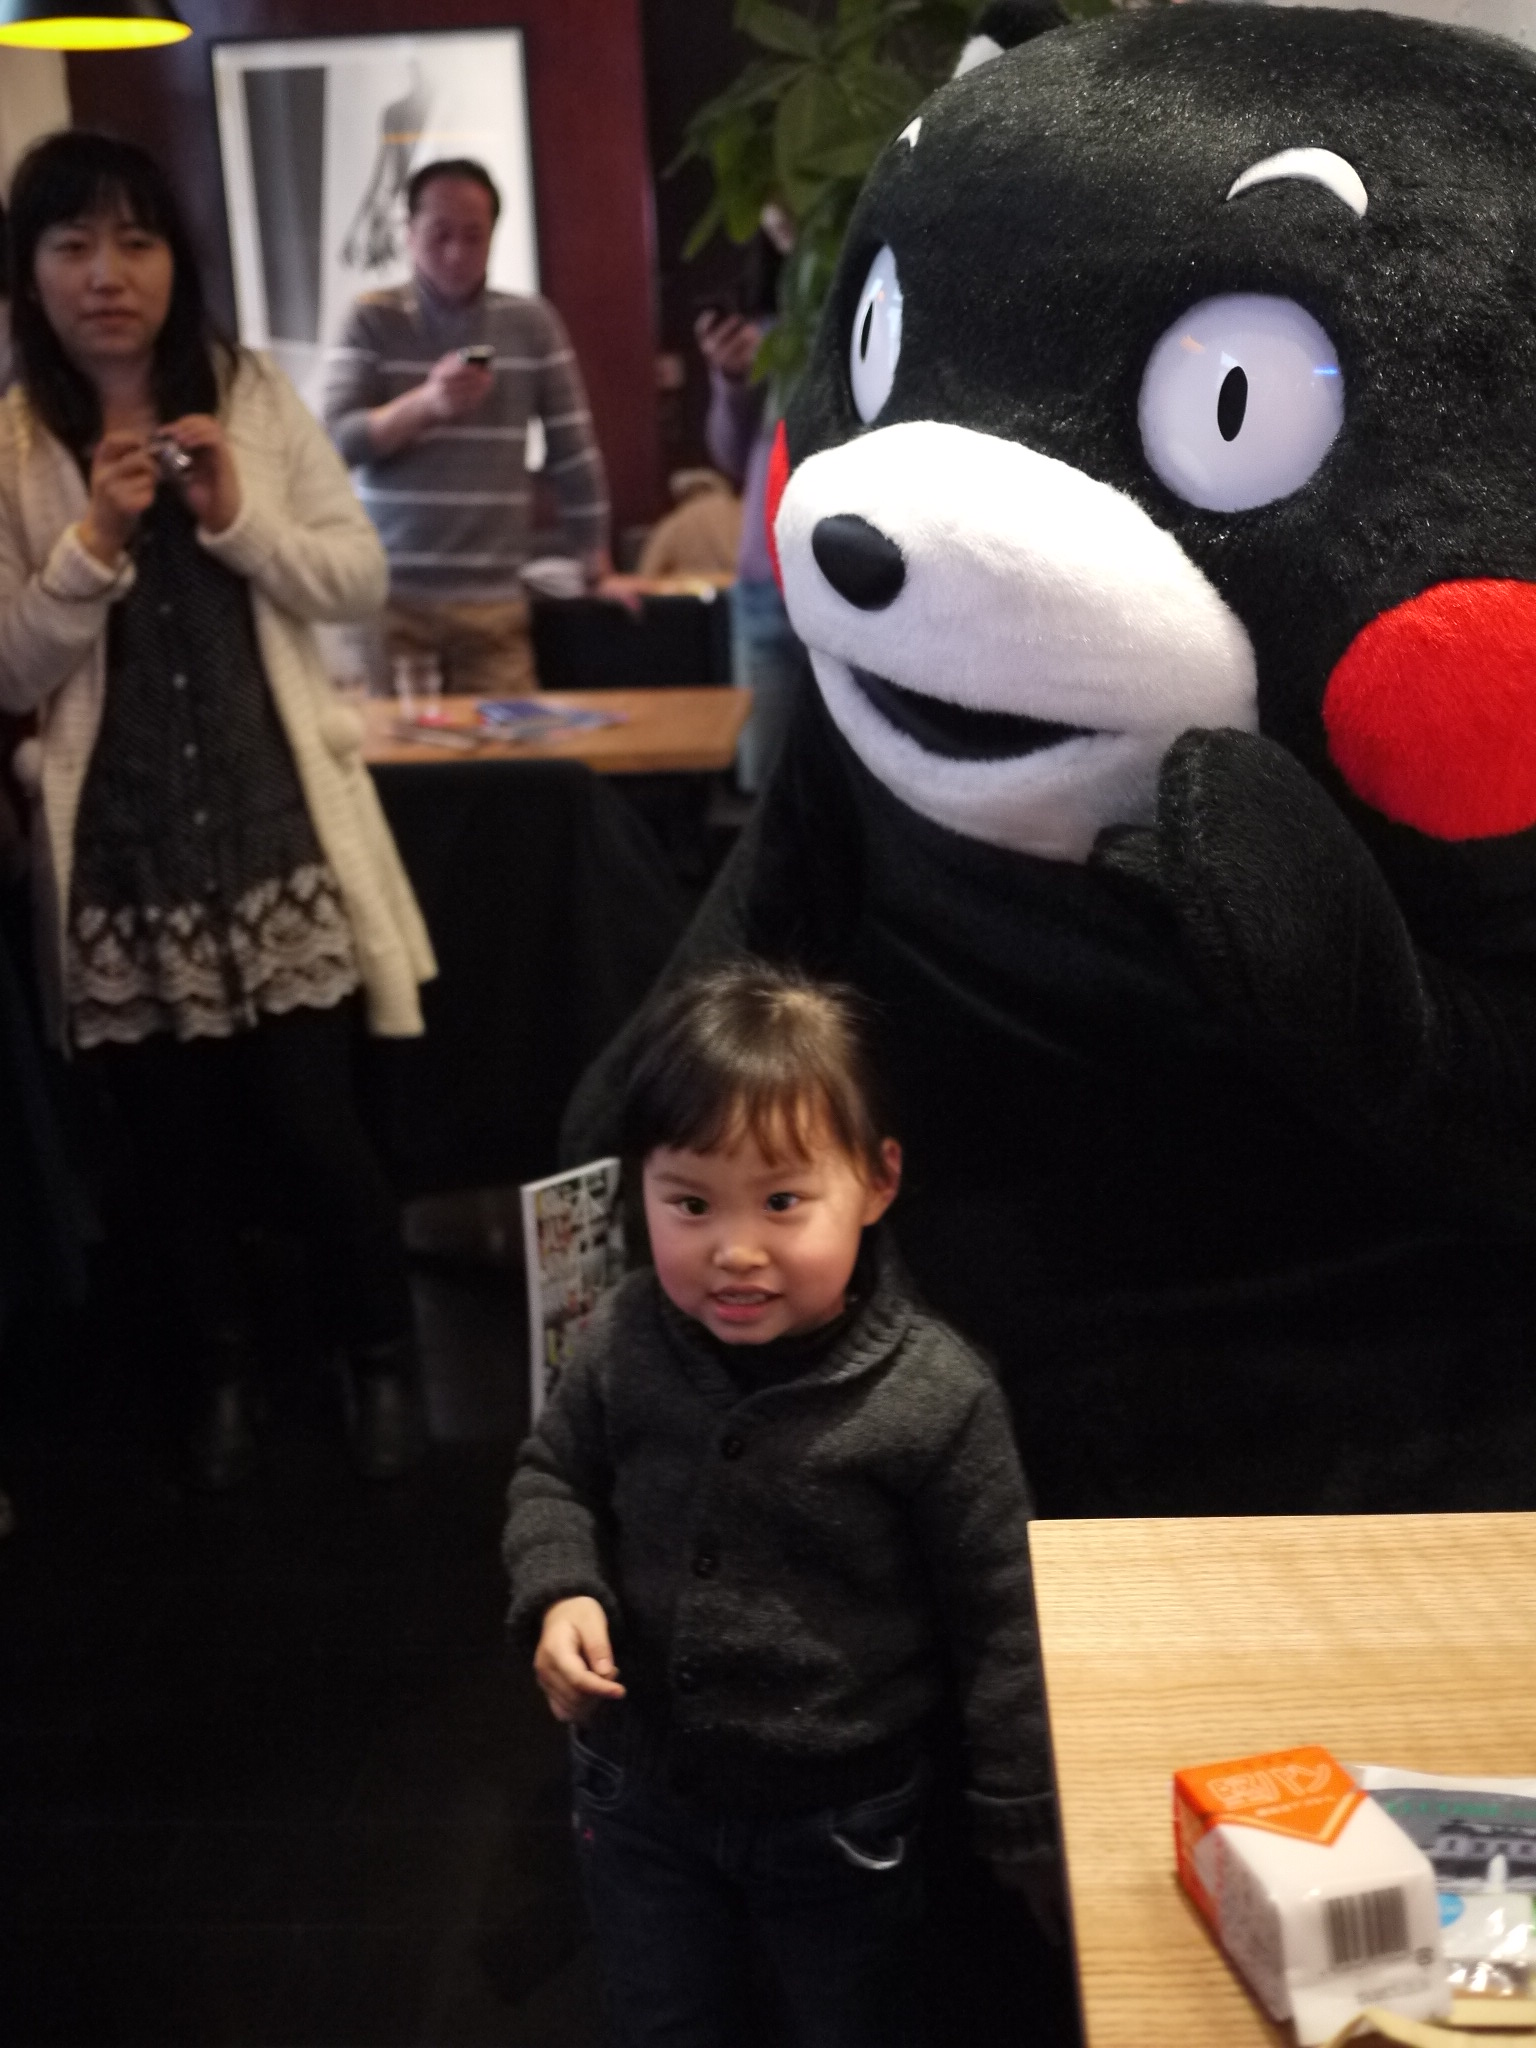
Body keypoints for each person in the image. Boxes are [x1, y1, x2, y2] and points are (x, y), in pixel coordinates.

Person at [504, 961, 1057, 2047]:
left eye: (784, 1200)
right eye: (690, 1203)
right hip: (637, 1792)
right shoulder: (625, 1336)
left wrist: (1022, 1818)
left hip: (843, 1818)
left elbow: (1003, 1614)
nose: (736, 1250)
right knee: (664, 2020)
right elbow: (550, 1473)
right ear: (641, 1187)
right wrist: (559, 1587)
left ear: (878, 1181)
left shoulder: (937, 1395)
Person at [0, 132, 437, 1489]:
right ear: (31, 273)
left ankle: (382, 1361)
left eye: (135, 241)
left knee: (318, 1127)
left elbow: (357, 578)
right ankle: (224, 1374)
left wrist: (240, 516)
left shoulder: (249, 395)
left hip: (274, 834)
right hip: (122, 856)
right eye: (72, 245)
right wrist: (92, 545)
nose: (106, 274)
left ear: (175, 262)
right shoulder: (14, 442)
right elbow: (8, 666)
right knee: (172, 1149)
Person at [324, 157, 612, 697]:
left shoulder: (530, 323)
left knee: (513, 747)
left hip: (491, 600)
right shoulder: (372, 318)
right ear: (409, 233)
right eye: (440, 235)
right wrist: (427, 404)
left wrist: (595, 561)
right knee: (394, 750)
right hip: (387, 596)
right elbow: (336, 442)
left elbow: (573, 449)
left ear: (493, 236)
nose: (456, 253)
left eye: (473, 236)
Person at [697, 211, 813, 792]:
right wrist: (731, 380)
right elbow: (731, 455)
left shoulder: (873, 308)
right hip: (765, 585)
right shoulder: (765, 324)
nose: (779, 214)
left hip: (850, 587)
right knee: (765, 795)